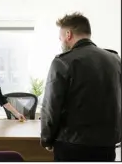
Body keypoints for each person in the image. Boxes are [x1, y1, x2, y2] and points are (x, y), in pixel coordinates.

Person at [40, 12, 121, 161]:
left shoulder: (63, 62)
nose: (61, 42)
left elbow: (51, 106)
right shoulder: (115, 60)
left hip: (72, 146)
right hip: (107, 146)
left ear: (68, 34)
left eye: (61, 38)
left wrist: (47, 139)